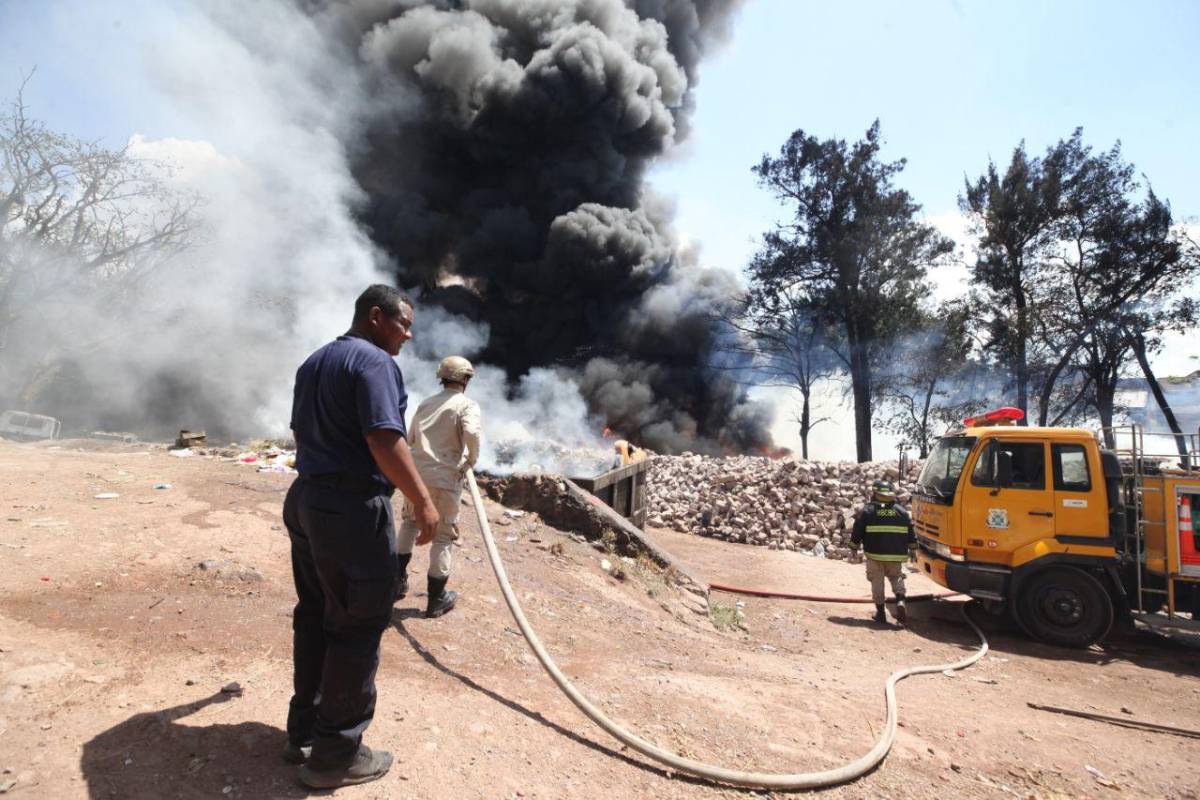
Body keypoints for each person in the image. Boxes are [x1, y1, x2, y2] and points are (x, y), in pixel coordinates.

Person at [283, 284, 440, 789]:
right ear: (376, 317)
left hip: (307, 499)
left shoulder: (315, 361)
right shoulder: (373, 361)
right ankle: (335, 756)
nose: (408, 336)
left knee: (315, 614)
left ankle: (303, 732)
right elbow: (383, 437)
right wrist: (422, 500)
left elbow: (300, 430)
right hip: (349, 510)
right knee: (357, 624)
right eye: (403, 324)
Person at [396, 355, 482, 618]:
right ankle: (436, 600)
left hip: (416, 475)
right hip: (445, 478)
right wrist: (471, 459)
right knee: (443, 536)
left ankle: (395, 582)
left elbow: (409, 437)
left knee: (410, 522)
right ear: (465, 380)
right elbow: (473, 433)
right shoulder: (466, 405)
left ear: (441, 377)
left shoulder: (425, 403)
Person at [848, 480, 916, 626]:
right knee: (896, 577)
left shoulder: (868, 511)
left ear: (875, 493)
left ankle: (880, 614)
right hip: (896, 555)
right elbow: (911, 531)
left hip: (874, 554)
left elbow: (857, 529)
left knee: (877, 581)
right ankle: (900, 600)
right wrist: (913, 549)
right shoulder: (902, 511)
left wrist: (853, 547)